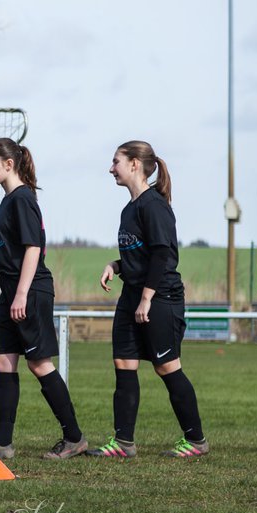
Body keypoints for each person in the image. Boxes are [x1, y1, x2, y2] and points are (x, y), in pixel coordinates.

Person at [0, 137, 86, 460]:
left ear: (9, 164)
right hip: (10, 289)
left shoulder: (22, 199)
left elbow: (34, 248)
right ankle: (2, 443)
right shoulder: (8, 200)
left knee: (38, 364)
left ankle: (74, 437)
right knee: (4, 361)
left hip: (29, 290)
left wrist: (21, 294)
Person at [88, 141, 207, 458]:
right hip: (132, 296)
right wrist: (116, 265)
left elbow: (162, 255)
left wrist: (147, 299)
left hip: (160, 298)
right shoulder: (130, 208)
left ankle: (196, 441)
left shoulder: (154, 205)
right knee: (123, 364)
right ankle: (123, 443)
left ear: (135, 165)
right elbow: (140, 255)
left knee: (167, 367)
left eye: (116, 162)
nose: (111, 168)